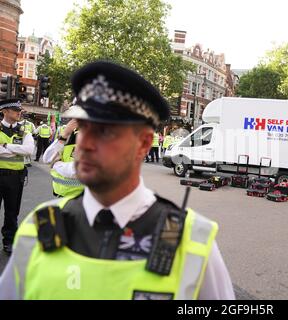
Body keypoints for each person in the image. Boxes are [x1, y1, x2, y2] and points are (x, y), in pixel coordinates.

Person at [0, 61, 234, 300]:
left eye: (104, 132)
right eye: (84, 128)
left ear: (143, 144)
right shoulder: (37, 228)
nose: (86, 144)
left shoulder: (193, 242)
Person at [0, 99, 34, 255]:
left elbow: (28, 150)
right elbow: (22, 150)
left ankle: (9, 241)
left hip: (15, 178)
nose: (19, 112)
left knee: (12, 212)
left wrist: (6, 146)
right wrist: (16, 149)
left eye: (19, 110)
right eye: (15, 110)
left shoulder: (25, 131)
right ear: (4, 111)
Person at [43, 117, 84, 198]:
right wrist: (64, 134)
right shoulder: (70, 134)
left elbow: (81, 170)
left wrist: (56, 164)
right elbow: (47, 159)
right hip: (61, 195)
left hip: (83, 198)